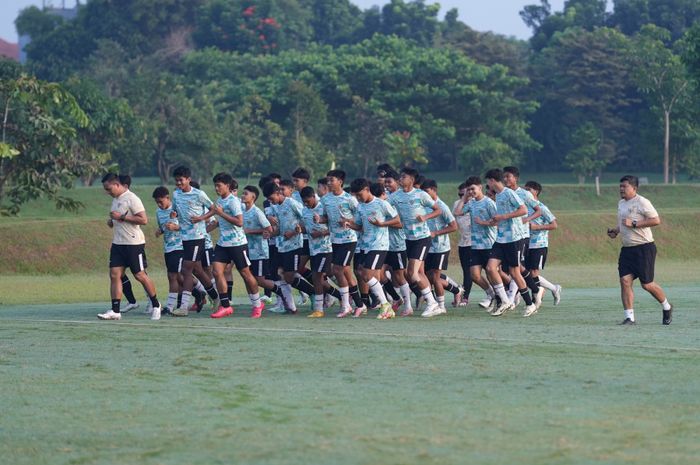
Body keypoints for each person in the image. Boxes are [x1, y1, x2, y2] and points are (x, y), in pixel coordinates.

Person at [607, 175, 673, 325]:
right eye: (620, 186)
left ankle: (667, 306)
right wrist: (616, 231)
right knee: (625, 280)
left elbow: (656, 220)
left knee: (647, 284)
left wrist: (635, 223)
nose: (621, 189)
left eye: (624, 186)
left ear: (634, 188)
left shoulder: (642, 202)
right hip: (627, 249)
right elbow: (624, 224)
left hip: (644, 248)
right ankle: (630, 317)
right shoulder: (621, 203)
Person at [98, 173, 161, 321]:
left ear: (117, 185)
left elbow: (143, 219)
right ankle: (115, 311)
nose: (108, 192)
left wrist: (121, 217)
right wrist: (112, 221)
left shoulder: (132, 198)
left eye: (109, 189)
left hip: (134, 244)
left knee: (139, 275)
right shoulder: (115, 200)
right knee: (114, 274)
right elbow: (118, 218)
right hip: (118, 244)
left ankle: (156, 305)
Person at [207, 173, 264, 318]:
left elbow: (239, 222)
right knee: (216, 271)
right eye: (215, 185)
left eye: (219, 185)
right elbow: (218, 219)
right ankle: (225, 306)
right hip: (223, 243)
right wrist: (202, 226)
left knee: (245, 274)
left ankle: (257, 304)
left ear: (227, 185)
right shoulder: (220, 200)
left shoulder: (233, 201)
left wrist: (221, 213)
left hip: (237, 244)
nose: (216, 188)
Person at [387, 167, 442, 317]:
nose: (400, 179)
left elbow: (438, 210)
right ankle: (433, 303)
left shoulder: (421, 194)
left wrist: (425, 217)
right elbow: (384, 205)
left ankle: (432, 303)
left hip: (422, 238)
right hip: (408, 239)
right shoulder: (395, 196)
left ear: (411, 179)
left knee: (411, 273)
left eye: (403, 177)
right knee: (417, 273)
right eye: (400, 176)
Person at [484, 168, 537, 317]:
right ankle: (506, 300)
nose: (487, 184)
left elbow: (523, 210)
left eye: (488, 181)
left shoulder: (508, 193)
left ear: (493, 181)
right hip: (501, 239)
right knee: (490, 268)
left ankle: (530, 304)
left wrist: (503, 217)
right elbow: (502, 216)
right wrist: (495, 220)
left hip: (514, 239)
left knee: (514, 272)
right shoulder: (499, 195)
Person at [170, 166, 220, 316]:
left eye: (181, 180)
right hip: (184, 237)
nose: (178, 183)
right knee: (197, 270)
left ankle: (184, 307)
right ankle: (216, 297)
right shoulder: (176, 195)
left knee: (186, 270)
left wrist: (201, 218)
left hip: (197, 237)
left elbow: (214, 209)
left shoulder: (199, 194)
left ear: (188, 179)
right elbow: (175, 211)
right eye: (176, 180)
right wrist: (173, 216)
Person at [348, 178, 401, 319]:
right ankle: (386, 304)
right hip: (365, 246)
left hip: (379, 245)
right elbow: (360, 226)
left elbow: (398, 220)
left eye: (360, 194)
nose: (358, 198)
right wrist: (348, 224)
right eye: (356, 196)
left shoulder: (381, 204)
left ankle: (386, 305)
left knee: (366, 274)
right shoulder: (360, 207)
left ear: (367, 189)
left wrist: (382, 224)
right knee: (364, 273)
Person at [317, 169, 365, 317]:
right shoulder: (326, 199)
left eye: (332, 180)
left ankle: (346, 306)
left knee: (337, 270)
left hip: (348, 239)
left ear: (340, 182)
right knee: (346, 273)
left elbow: (360, 218)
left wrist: (348, 221)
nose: (329, 183)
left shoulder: (350, 199)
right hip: (334, 240)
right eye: (328, 180)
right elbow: (326, 217)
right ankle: (360, 304)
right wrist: (320, 220)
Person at [263, 182, 316, 311]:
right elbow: (279, 229)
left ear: (278, 193)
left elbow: (306, 219)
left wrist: (294, 231)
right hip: (280, 246)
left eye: (271, 198)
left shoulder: (292, 203)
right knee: (277, 273)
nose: (271, 201)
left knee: (289, 276)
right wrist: (270, 233)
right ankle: (290, 307)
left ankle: (312, 292)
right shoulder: (276, 208)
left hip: (294, 245)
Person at [241, 185, 290, 310]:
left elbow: (268, 229)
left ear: (253, 197)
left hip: (259, 251)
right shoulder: (242, 210)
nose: (243, 195)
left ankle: (281, 292)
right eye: (243, 193)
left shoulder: (257, 212)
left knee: (260, 280)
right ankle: (256, 304)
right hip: (247, 250)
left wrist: (249, 231)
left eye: (245, 193)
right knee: (248, 278)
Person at [299, 186, 343, 318]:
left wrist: (321, 232)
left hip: (325, 247)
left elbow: (334, 226)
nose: (306, 204)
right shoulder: (305, 211)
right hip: (313, 249)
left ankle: (320, 309)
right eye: (304, 202)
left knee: (317, 275)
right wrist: (299, 230)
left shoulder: (323, 208)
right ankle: (344, 296)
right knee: (324, 275)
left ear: (313, 197)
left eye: (308, 201)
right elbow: (307, 228)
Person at [459, 176, 498, 309]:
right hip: (475, 245)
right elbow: (457, 212)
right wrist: (464, 198)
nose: (471, 192)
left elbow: (497, 221)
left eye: (473, 189)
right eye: (468, 190)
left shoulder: (489, 203)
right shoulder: (470, 203)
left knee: (491, 273)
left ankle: (505, 296)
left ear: (480, 187)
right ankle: (492, 294)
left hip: (489, 244)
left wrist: (484, 223)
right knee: (474, 275)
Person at [523, 181, 561, 309]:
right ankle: (553, 288)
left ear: (536, 192)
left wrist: (536, 227)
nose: (526, 192)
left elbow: (554, 224)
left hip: (539, 244)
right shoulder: (524, 207)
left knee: (533, 272)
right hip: (526, 244)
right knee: (527, 273)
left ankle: (536, 299)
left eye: (529, 190)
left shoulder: (542, 208)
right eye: (525, 189)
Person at [383, 170, 412, 315]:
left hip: (398, 244)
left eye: (389, 182)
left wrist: (383, 223)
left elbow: (402, 223)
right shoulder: (388, 198)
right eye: (385, 182)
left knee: (400, 275)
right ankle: (396, 298)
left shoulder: (402, 199)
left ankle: (408, 305)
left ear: (397, 182)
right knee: (378, 274)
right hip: (383, 244)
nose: (386, 184)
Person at [152, 186, 184, 316]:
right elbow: (163, 227)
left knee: (178, 276)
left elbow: (188, 225)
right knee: (174, 277)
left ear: (168, 198)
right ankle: (200, 291)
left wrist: (176, 227)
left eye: (161, 201)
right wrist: (160, 231)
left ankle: (171, 306)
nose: (159, 204)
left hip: (180, 246)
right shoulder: (158, 212)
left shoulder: (177, 208)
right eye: (157, 202)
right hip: (168, 248)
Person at [452, 182, 472, 307]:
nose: (462, 196)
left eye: (464, 193)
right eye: (460, 194)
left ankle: (466, 297)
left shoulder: (475, 204)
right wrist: (463, 199)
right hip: (463, 243)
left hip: (475, 243)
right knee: (466, 271)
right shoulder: (457, 204)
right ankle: (464, 296)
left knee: (474, 272)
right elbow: (456, 213)